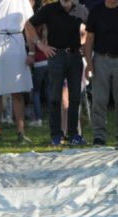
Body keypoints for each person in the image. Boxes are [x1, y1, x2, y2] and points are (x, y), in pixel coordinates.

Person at [26, 0, 89, 146]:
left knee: (75, 98)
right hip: (56, 56)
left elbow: (92, 29)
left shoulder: (81, 10)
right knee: (54, 98)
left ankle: (74, 135)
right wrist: (40, 44)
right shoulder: (49, 9)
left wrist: (85, 45)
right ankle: (56, 135)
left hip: (75, 56)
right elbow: (28, 25)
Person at [83, 0, 118, 147]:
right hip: (101, 59)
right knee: (99, 100)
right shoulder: (96, 10)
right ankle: (99, 136)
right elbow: (89, 39)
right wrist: (89, 64)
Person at [0, 0, 35, 144]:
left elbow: (28, 26)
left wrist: (32, 51)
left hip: (15, 43)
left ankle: (21, 132)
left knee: (18, 90)